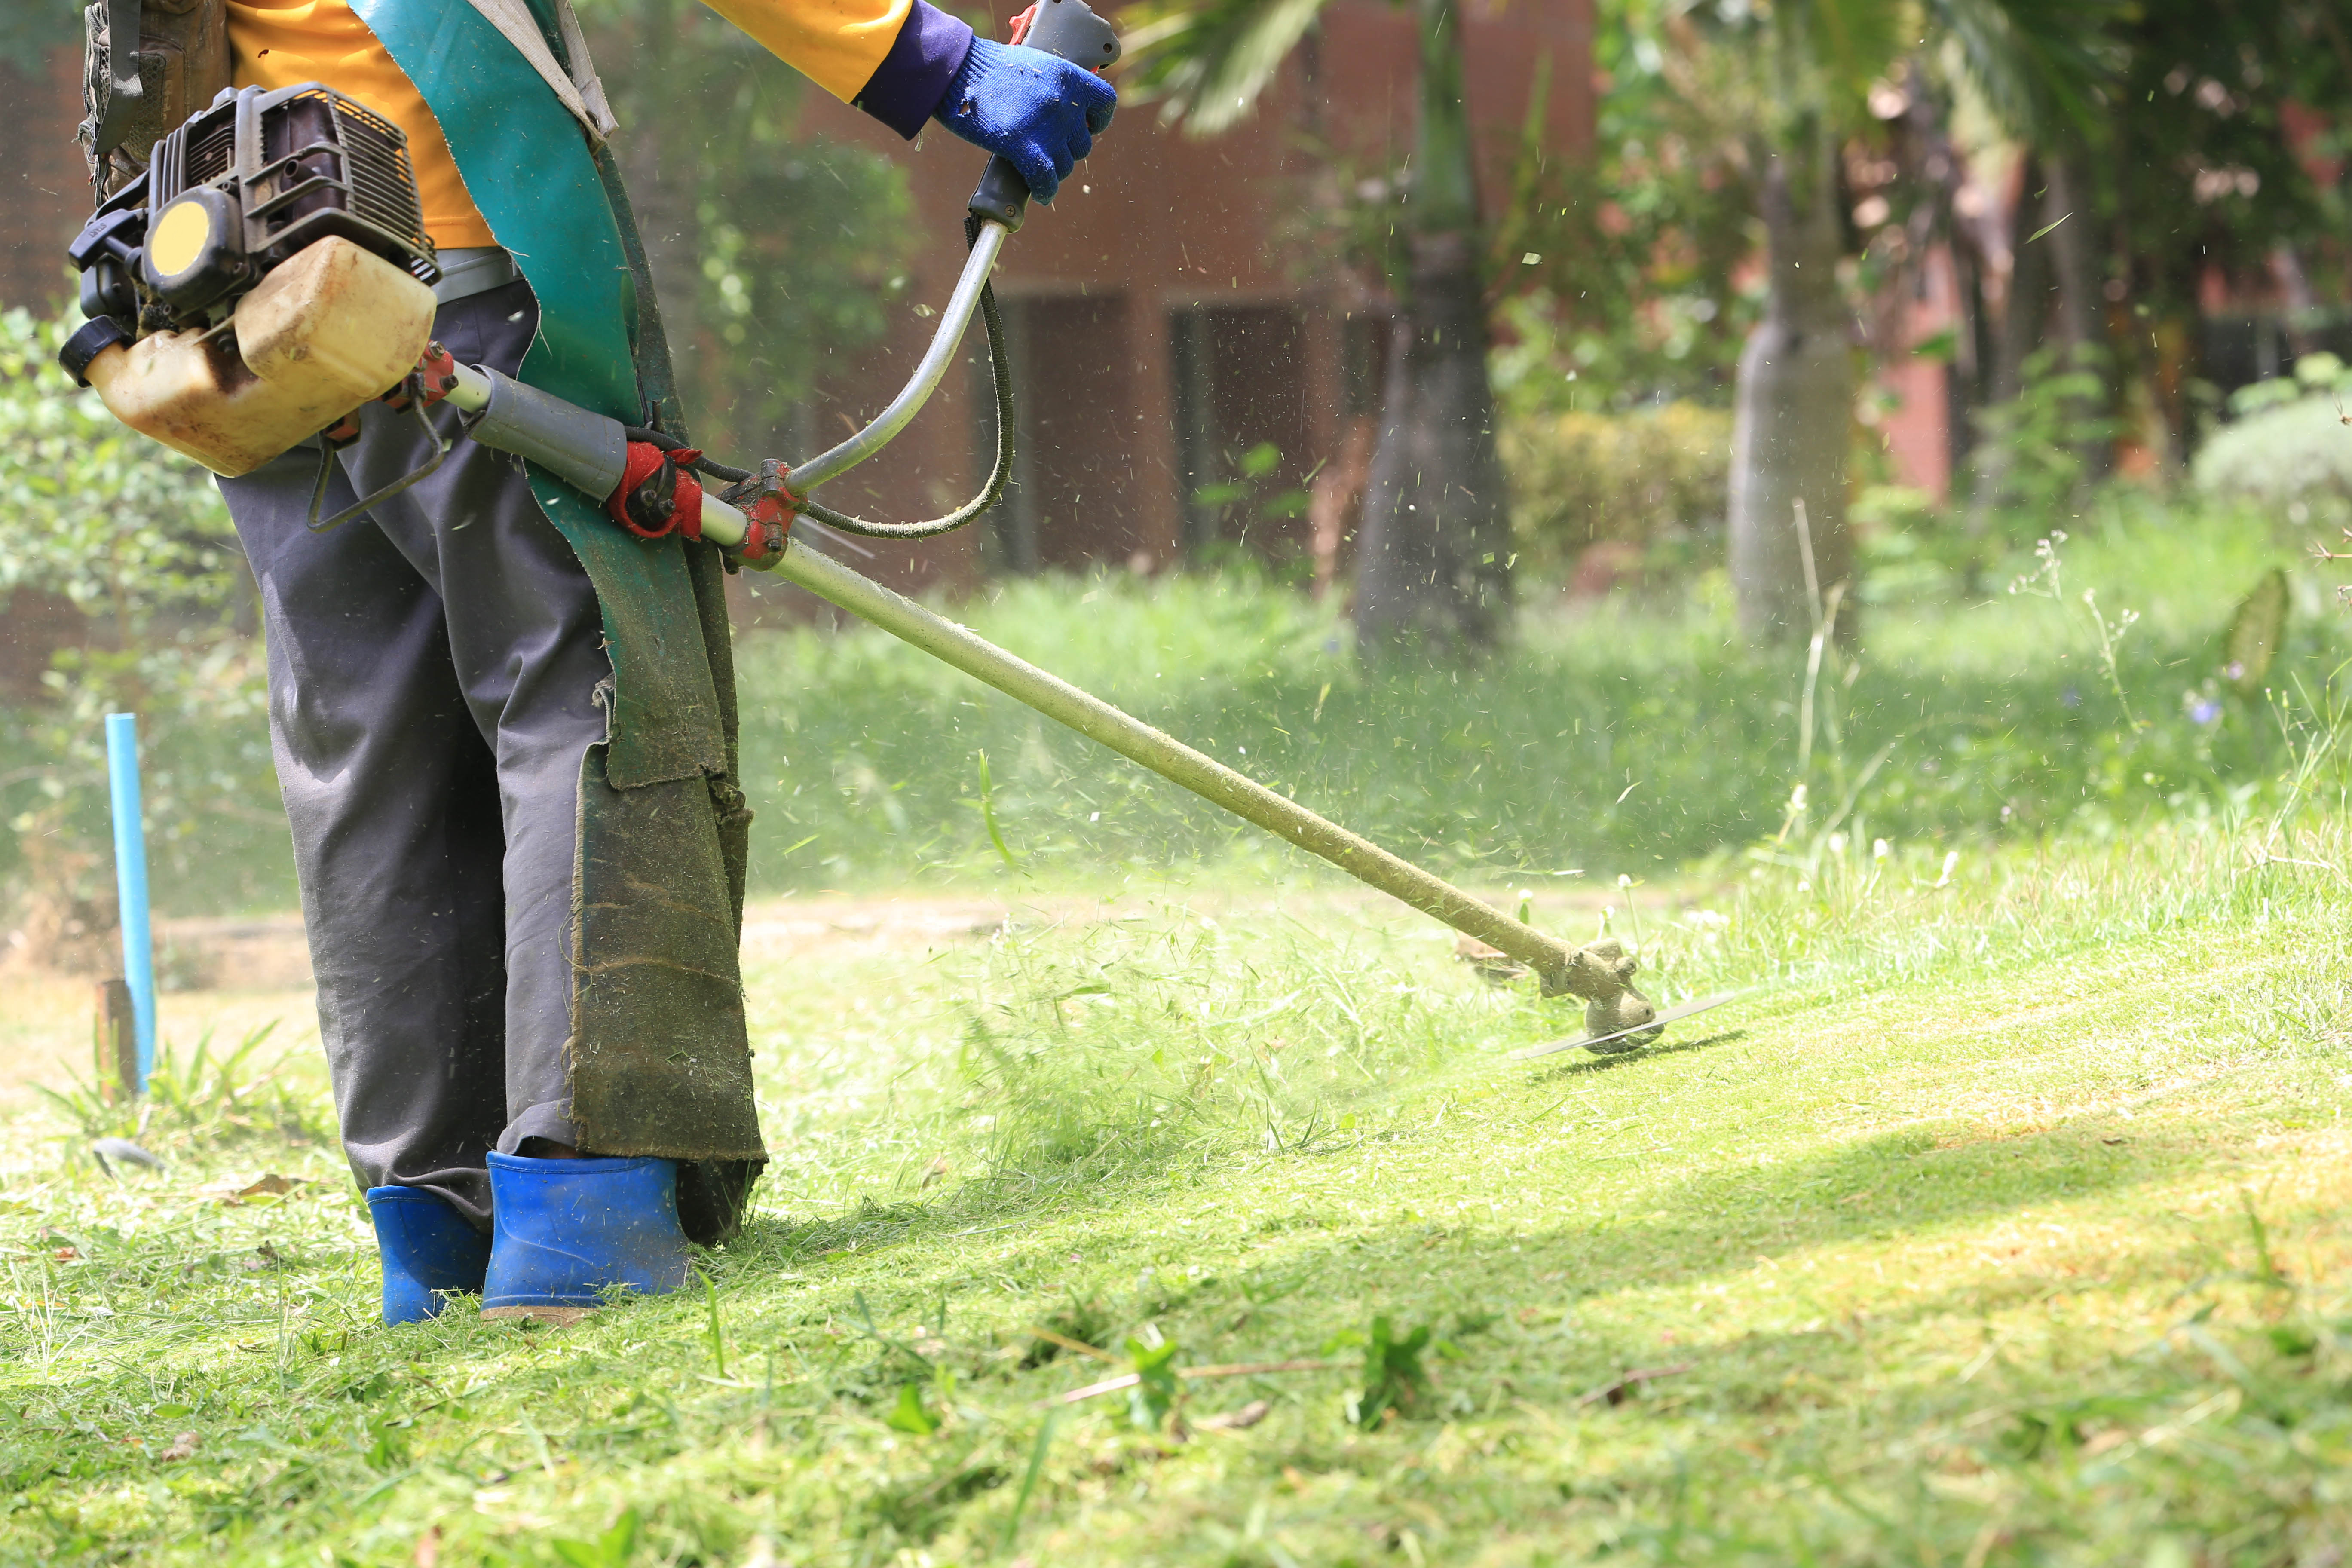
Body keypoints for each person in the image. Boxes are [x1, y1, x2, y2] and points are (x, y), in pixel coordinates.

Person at [74, 0, 1115, 1326]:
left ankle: (433, 1238)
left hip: (247, 297)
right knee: (586, 689)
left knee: (373, 758)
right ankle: (585, 1209)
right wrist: (938, 61)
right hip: (446, 267)